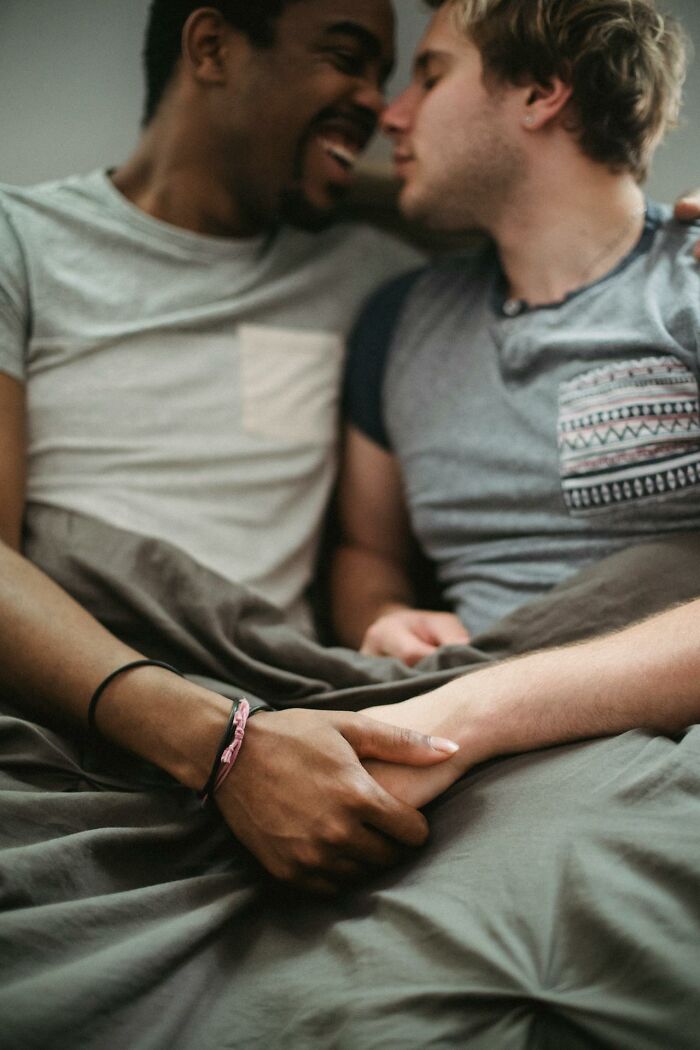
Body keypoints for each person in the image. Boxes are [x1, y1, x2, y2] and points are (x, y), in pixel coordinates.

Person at [0, 0, 463, 899]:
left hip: (291, 711)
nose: (379, 103)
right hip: (83, 713)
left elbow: (548, 248)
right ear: (211, 46)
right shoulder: (20, 243)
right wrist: (222, 744)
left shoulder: (374, 278)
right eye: (347, 59)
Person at [333, 0, 700, 806]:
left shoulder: (690, 286)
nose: (391, 115)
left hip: (640, 730)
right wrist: (388, 613)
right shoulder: (396, 321)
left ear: (541, 90)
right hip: (455, 713)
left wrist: (482, 712)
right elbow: (367, 551)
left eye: (429, 76)